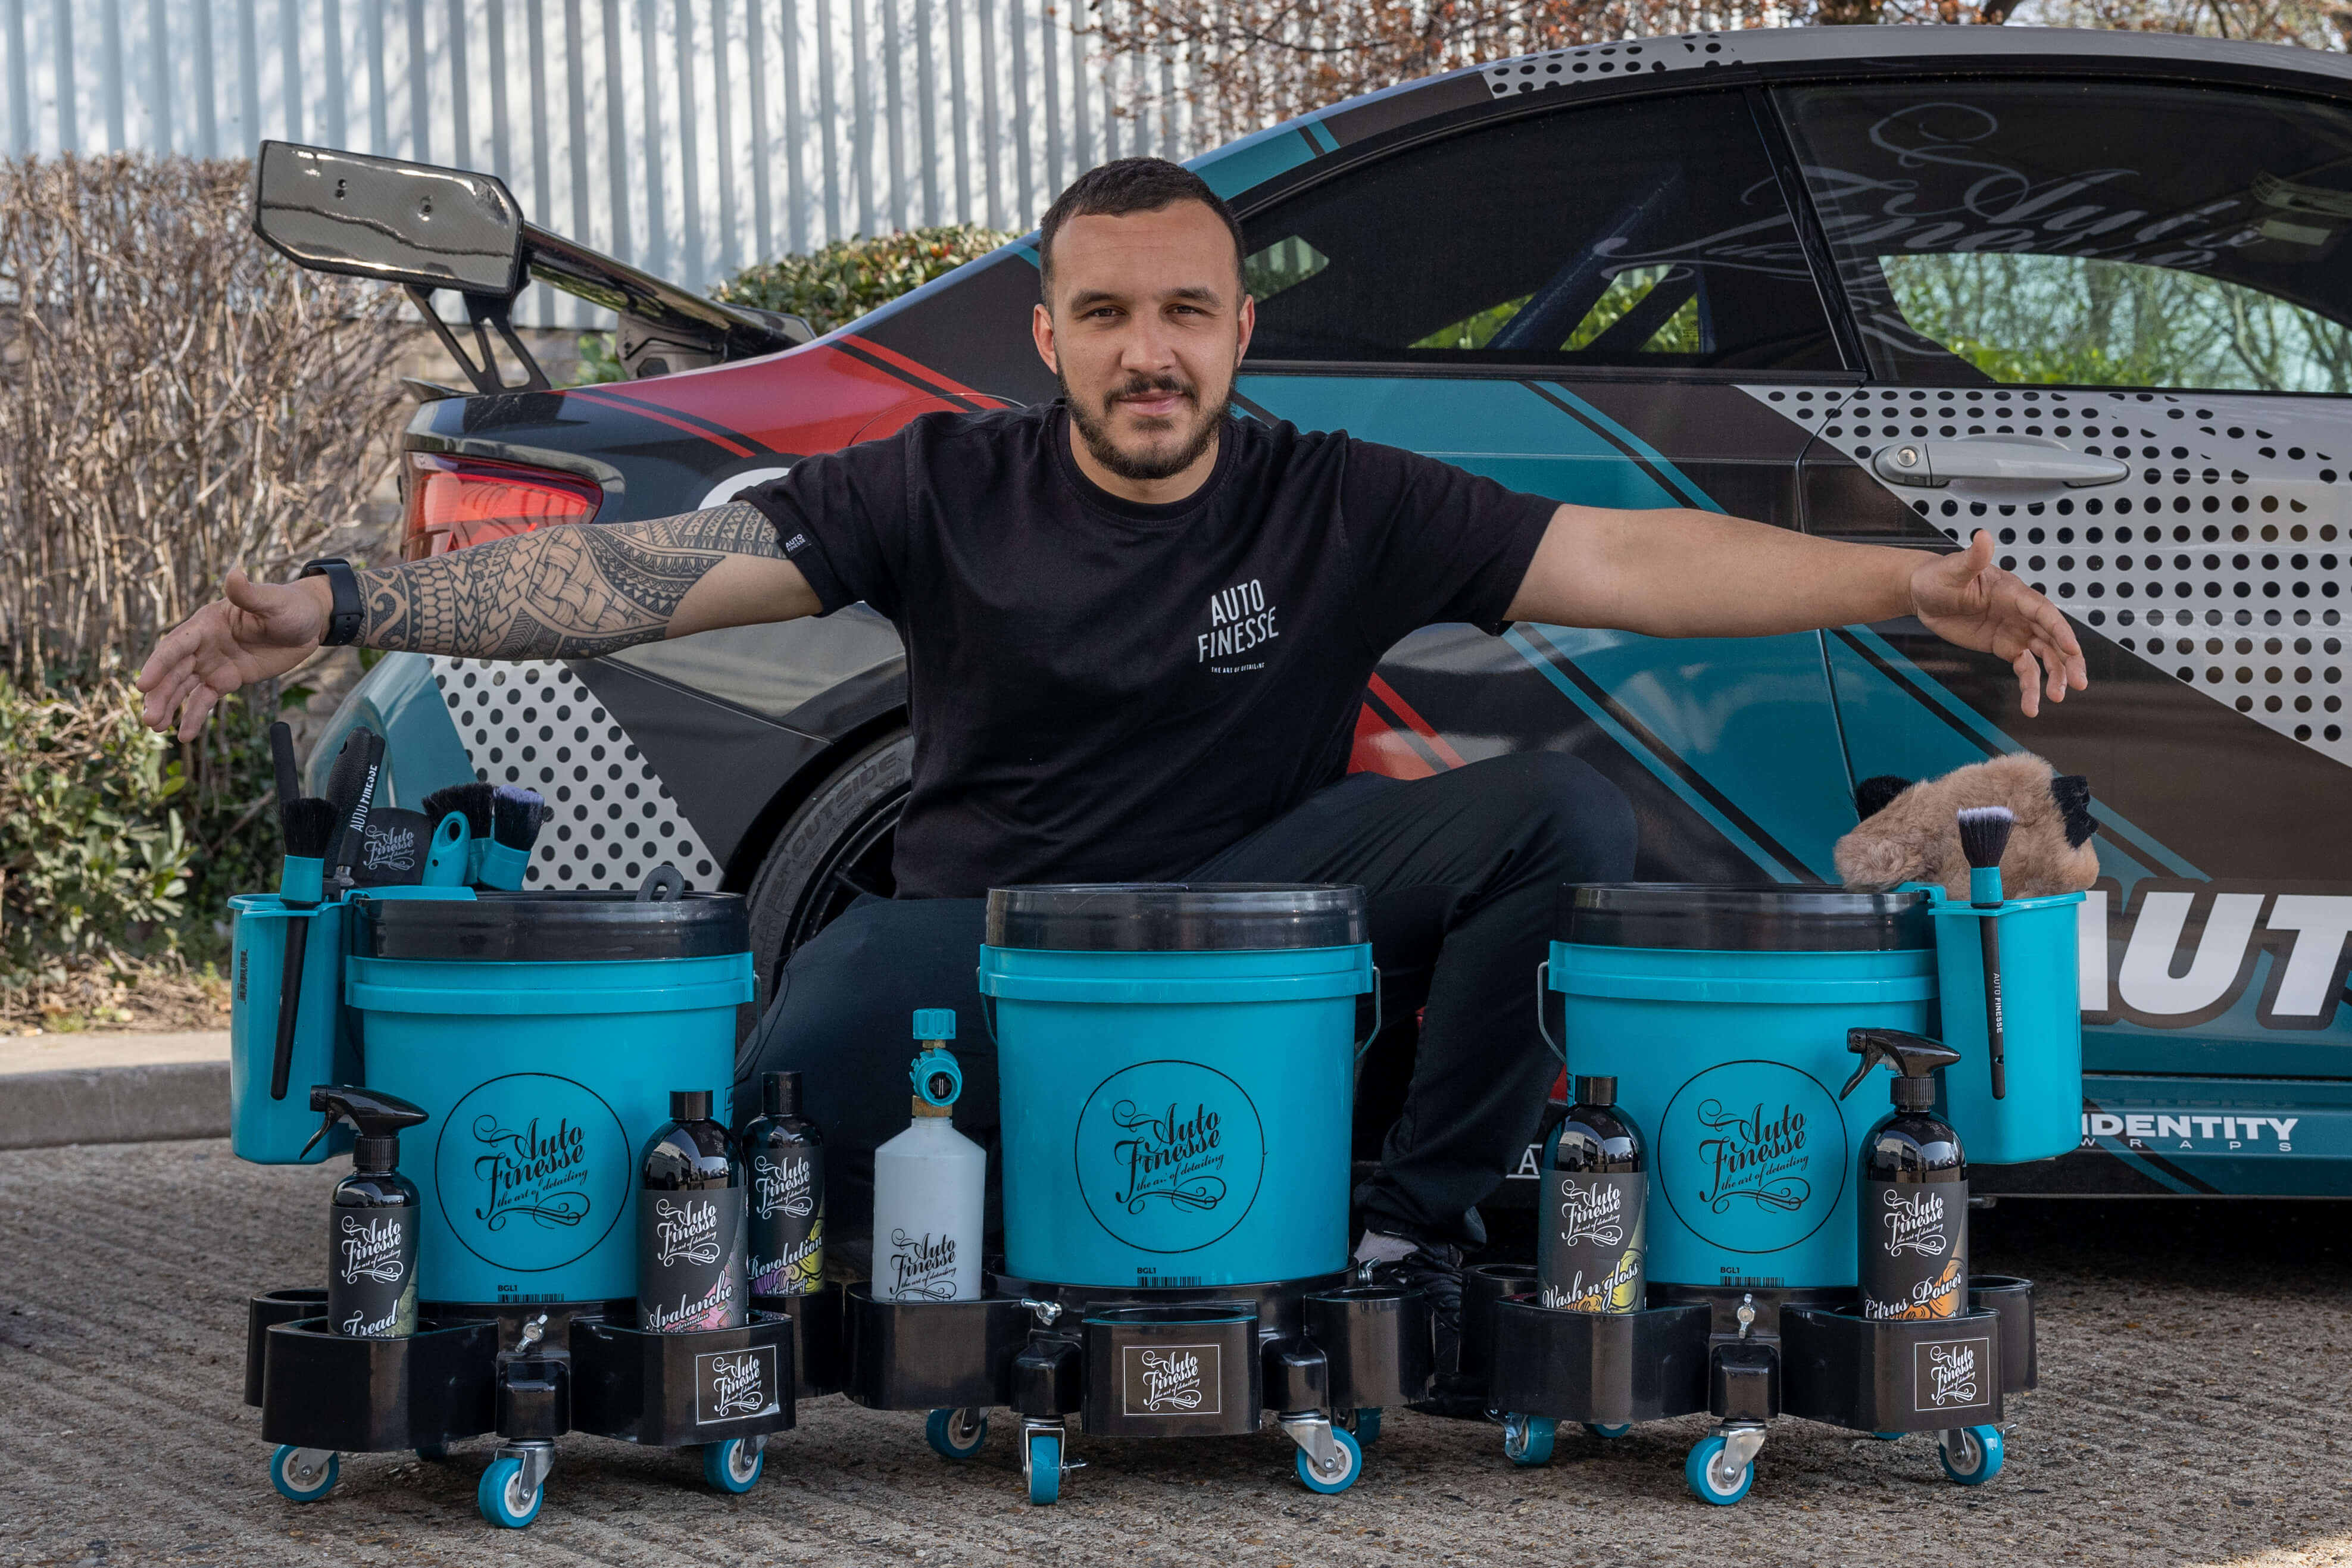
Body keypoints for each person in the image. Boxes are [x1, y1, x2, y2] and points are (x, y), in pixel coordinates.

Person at [140, 158, 2085, 1383]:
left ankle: (1408, 1213)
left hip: (1271, 903)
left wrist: (1911, 577)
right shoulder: (941, 483)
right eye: (1104, 315)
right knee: (753, 1156)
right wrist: (339, 595)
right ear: (1051, 335)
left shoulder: (1341, 497)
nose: (1146, 353)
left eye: (1182, 313)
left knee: (1560, 812)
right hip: (995, 930)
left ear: (1238, 330)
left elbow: (1628, 558)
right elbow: (648, 576)